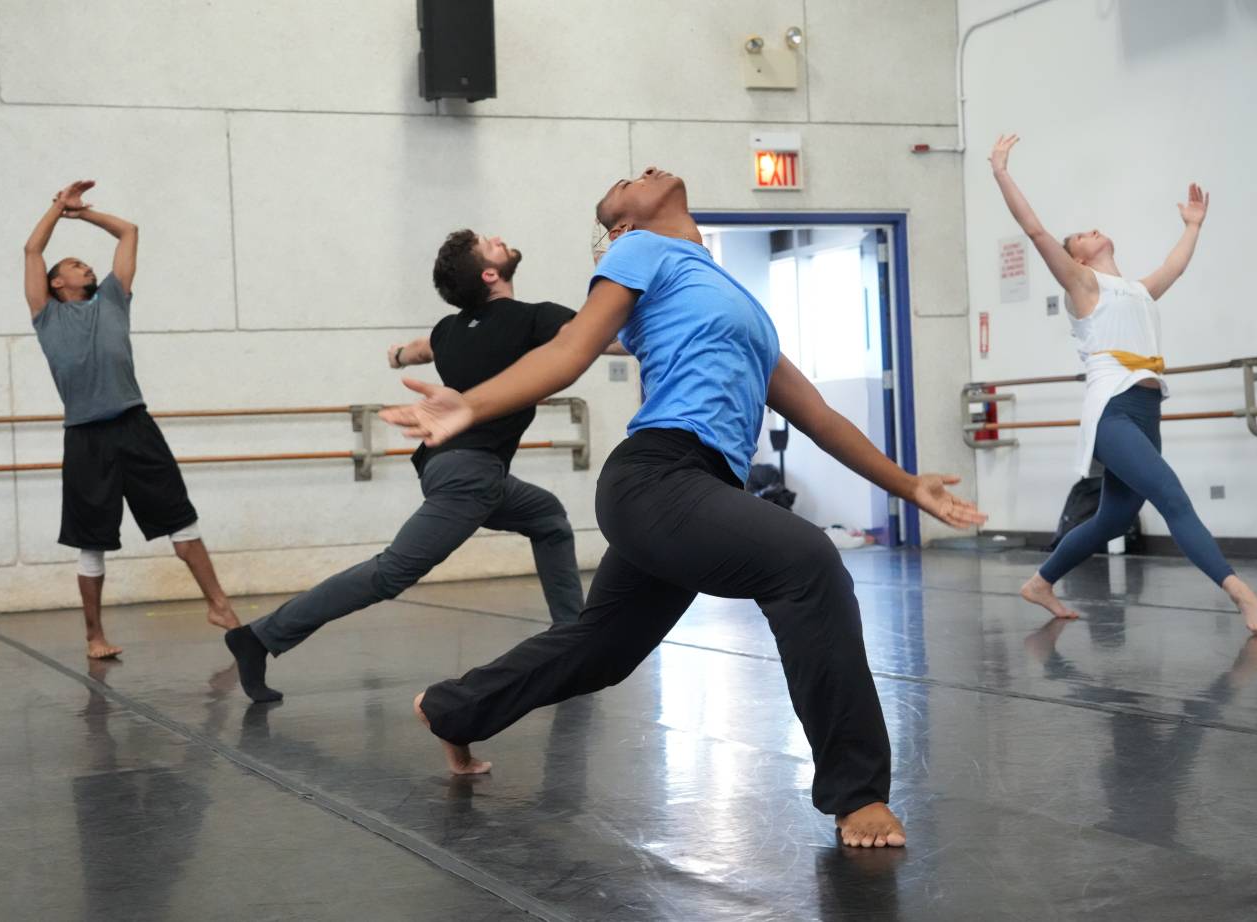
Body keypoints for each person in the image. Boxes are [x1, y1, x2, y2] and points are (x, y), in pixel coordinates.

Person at [380, 166, 988, 848]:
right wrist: (472, 402)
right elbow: (572, 348)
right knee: (806, 561)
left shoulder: (732, 296)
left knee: (602, 649)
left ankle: (451, 709)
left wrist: (908, 485)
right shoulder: (638, 251)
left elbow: (816, 414)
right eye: (617, 184)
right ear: (619, 226)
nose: (636, 171)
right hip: (658, 477)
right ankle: (858, 795)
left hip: (702, 489)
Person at [224, 230, 590, 702]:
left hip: (445, 467)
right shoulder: (535, 319)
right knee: (391, 573)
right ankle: (258, 637)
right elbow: (605, 339)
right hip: (471, 476)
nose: (499, 238)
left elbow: (421, 348)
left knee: (548, 518)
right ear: (491, 274)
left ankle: (572, 639)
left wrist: (398, 355)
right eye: (490, 243)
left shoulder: (449, 330)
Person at [988, 135, 1257, 635]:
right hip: (1114, 413)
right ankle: (1241, 594)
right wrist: (1001, 172)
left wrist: (1192, 226)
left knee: (1111, 519)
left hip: (1146, 413)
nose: (1091, 231)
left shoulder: (1138, 291)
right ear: (1075, 257)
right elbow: (1034, 230)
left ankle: (1040, 581)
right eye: (1081, 234)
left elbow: (1176, 265)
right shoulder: (1082, 285)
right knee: (1172, 497)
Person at [24, 180, 241, 659]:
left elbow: (128, 232)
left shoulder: (114, 298)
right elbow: (32, 249)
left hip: (134, 426)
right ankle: (94, 636)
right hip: (85, 438)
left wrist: (83, 215)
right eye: (74, 265)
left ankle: (219, 605)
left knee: (180, 520)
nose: (85, 266)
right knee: (91, 541)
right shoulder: (46, 316)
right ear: (57, 284)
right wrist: (58, 207)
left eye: (85, 262)